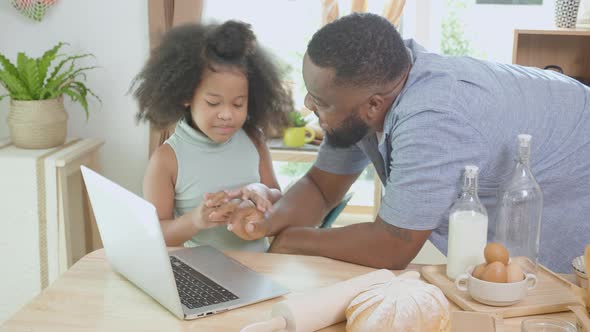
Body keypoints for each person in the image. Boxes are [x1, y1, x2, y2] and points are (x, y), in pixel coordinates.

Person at [227, 13, 590, 272]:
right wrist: (268, 223)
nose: (307, 106)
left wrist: (295, 240)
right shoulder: (375, 83)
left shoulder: (434, 116)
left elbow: (393, 244)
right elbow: (321, 188)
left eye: (319, 101)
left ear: (373, 105)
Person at [132, 21, 293, 252]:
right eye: (213, 103)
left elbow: (280, 201)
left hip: (261, 266)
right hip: (202, 274)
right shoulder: (166, 160)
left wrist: (261, 192)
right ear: (186, 95)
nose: (227, 114)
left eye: (239, 104)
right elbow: (156, 234)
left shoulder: (254, 140)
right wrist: (196, 221)